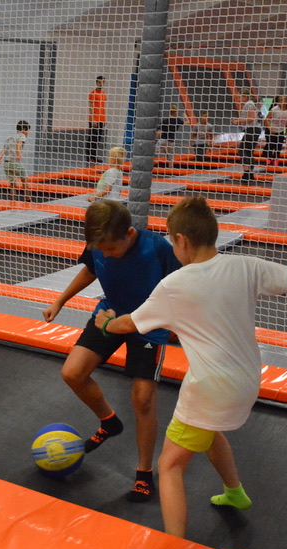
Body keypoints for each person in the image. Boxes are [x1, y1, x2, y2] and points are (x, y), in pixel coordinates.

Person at [96, 196, 287, 538]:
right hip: (248, 381)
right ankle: (234, 492)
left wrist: (106, 323)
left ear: (182, 240)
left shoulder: (174, 286)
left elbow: (128, 324)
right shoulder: (247, 267)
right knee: (208, 431)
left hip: (210, 388)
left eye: (172, 242)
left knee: (170, 465)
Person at [43, 199, 181, 501]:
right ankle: (109, 421)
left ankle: (144, 472)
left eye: (111, 249)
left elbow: (183, 285)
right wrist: (60, 300)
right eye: (101, 249)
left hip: (148, 326)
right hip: (110, 315)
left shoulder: (156, 248)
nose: (105, 254)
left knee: (143, 399)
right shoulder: (98, 243)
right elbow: (90, 270)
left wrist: (176, 323)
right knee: (72, 373)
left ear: (129, 234)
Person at [0, 120, 31, 203]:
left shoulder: (10, 137)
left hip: (6, 164)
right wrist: (19, 154)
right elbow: (19, 145)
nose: (28, 133)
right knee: (25, 180)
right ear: (24, 129)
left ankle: (14, 202)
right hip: (15, 163)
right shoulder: (22, 135)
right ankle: (28, 198)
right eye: (28, 130)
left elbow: (4, 150)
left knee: (13, 184)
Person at [233, 87, 261, 182]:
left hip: (252, 129)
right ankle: (250, 173)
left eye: (240, 97)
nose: (239, 99)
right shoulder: (249, 104)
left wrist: (238, 121)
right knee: (248, 152)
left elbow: (251, 118)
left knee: (242, 150)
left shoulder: (248, 104)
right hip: (253, 129)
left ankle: (247, 173)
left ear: (245, 96)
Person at [263, 95, 287, 168]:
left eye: (283, 100)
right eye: (280, 101)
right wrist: (270, 128)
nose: (281, 102)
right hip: (270, 131)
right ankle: (268, 160)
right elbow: (266, 120)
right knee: (271, 146)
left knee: (278, 147)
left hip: (280, 131)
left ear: (286, 101)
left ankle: (275, 161)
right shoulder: (274, 109)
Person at [86, 75, 107, 165]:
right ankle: (89, 157)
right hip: (94, 120)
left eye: (102, 82)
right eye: (99, 82)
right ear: (96, 83)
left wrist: (104, 119)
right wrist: (93, 119)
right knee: (92, 138)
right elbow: (91, 107)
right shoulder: (93, 93)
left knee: (98, 138)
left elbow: (103, 107)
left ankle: (94, 156)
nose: (100, 84)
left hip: (101, 119)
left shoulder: (103, 94)